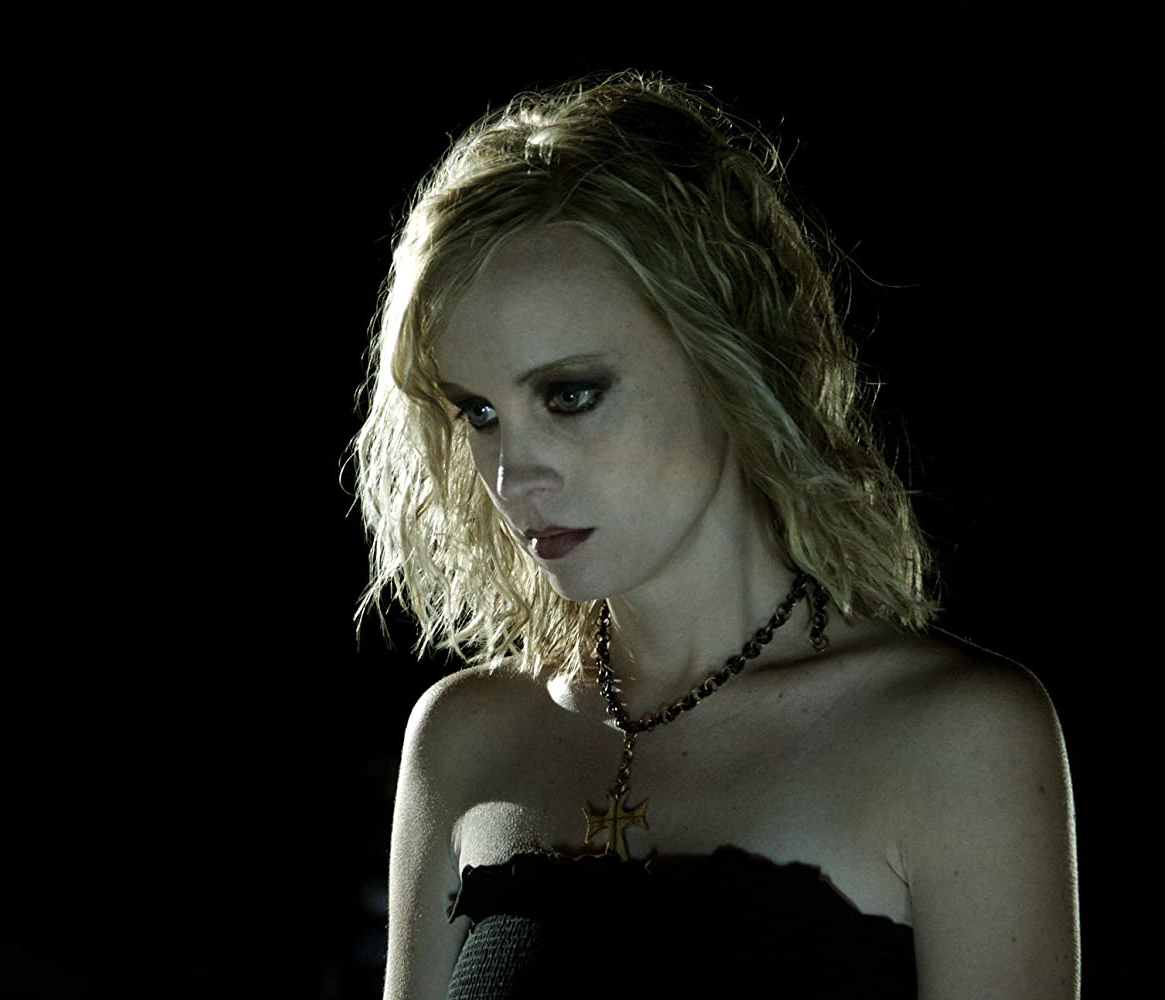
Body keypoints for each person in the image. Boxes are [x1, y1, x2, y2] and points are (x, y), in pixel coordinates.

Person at [351, 72, 1079, 999]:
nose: (511, 475)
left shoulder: (956, 737)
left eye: (569, 395)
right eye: (478, 412)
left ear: (727, 355)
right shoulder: (465, 736)